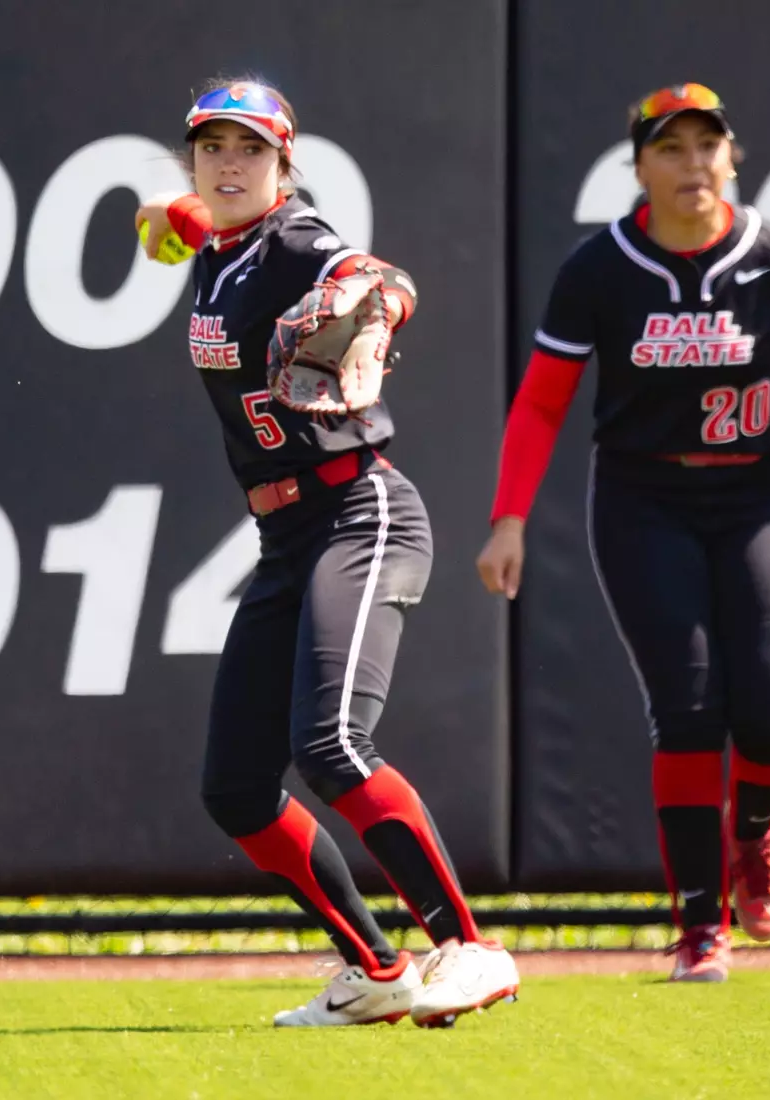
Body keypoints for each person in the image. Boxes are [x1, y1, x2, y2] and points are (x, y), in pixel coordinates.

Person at [476, 82, 770, 982]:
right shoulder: (600, 270)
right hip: (642, 505)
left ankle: (754, 832)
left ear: (733, 156)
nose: (692, 165)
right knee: (688, 711)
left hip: (755, 501)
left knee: (769, 713)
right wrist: (508, 517)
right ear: (637, 168)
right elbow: (542, 400)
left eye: (706, 146)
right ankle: (698, 929)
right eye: (669, 149)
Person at [135, 77, 520, 1027]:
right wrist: (169, 216)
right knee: (235, 790)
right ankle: (376, 970)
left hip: (362, 512)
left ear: (284, 163)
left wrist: (364, 296)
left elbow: (381, 278)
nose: (231, 164)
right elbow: (184, 217)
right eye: (213, 148)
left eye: (251, 150)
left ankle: (471, 950)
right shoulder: (220, 240)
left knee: (333, 745)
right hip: (286, 536)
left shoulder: (294, 239)